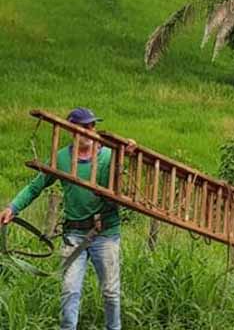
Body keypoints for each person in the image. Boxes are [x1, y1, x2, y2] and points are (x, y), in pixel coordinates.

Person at [0, 108, 134, 330]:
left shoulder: (110, 156)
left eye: (91, 126)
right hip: (75, 235)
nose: (89, 131)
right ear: (72, 130)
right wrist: (13, 207)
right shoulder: (61, 158)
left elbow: (124, 174)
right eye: (83, 127)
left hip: (106, 233)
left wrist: (128, 149)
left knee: (111, 292)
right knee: (70, 291)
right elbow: (36, 186)